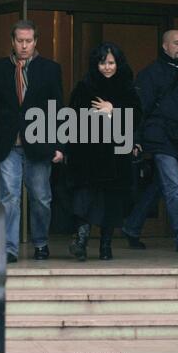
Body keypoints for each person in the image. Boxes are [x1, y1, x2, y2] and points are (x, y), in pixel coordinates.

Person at [0, 19, 64, 262]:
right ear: (12, 42)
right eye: (20, 41)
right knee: (9, 197)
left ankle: (41, 242)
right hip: (7, 145)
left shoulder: (50, 68)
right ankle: (9, 249)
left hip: (40, 142)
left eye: (29, 41)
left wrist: (60, 145)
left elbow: (58, 109)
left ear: (36, 42)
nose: (24, 46)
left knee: (41, 198)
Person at [122, 30, 178, 253]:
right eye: (176, 43)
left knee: (160, 187)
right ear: (164, 46)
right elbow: (139, 109)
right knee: (173, 185)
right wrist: (134, 140)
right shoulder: (150, 74)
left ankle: (132, 226)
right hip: (158, 137)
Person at [67, 42, 142, 261]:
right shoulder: (84, 88)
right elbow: (72, 121)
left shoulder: (127, 89)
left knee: (111, 201)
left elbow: (137, 118)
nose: (107, 67)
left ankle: (105, 246)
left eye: (111, 63)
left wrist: (113, 111)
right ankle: (80, 241)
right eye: (102, 63)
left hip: (115, 155)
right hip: (87, 154)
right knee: (84, 198)